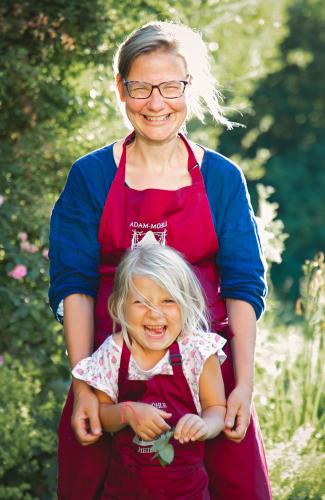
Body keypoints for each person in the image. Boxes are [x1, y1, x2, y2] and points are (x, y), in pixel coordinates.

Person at [49, 21, 272, 499]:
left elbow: (243, 285)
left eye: (171, 86)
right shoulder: (89, 177)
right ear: (120, 88)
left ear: (191, 89)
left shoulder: (221, 178)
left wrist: (243, 387)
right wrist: (86, 385)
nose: (156, 103)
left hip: (210, 379)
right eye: (140, 87)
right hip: (112, 375)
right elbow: (74, 285)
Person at [72, 244, 227, 498]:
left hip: (187, 492)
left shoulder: (198, 351)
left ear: (185, 303)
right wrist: (127, 413)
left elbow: (217, 409)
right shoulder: (113, 352)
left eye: (168, 301)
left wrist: (204, 425)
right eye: (141, 302)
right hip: (125, 491)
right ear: (120, 306)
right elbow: (102, 415)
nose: (155, 313)